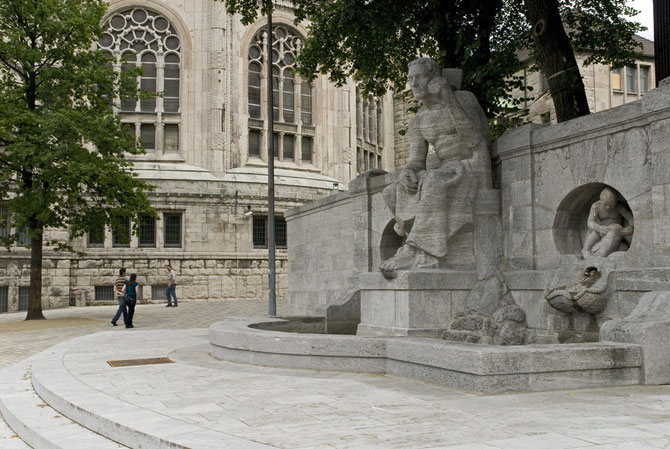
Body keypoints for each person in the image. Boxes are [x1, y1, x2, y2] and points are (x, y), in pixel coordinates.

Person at [380, 57, 492, 276]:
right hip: (444, 170)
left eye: (419, 77)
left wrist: (448, 97)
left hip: (469, 166)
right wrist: (408, 173)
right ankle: (420, 244)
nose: (413, 84)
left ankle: (418, 250)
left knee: (432, 180)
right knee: (391, 191)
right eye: (410, 79)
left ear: (434, 78)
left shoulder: (463, 99)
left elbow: (474, 140)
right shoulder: (419, 119)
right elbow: (416, 160)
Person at [582, 188, 634, 258]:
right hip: (600, 230)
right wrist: (599, 228)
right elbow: (590, 222)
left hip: (615, 231)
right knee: (594, 234)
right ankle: (586, 250)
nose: (608, 207)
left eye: (611, 205)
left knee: (623, 247)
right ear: (601, 201)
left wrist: (629, 229)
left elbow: (632, 220)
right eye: (605, 204)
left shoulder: (619, 207)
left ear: (615, 202)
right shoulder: (596, 206)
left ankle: (599, 253)